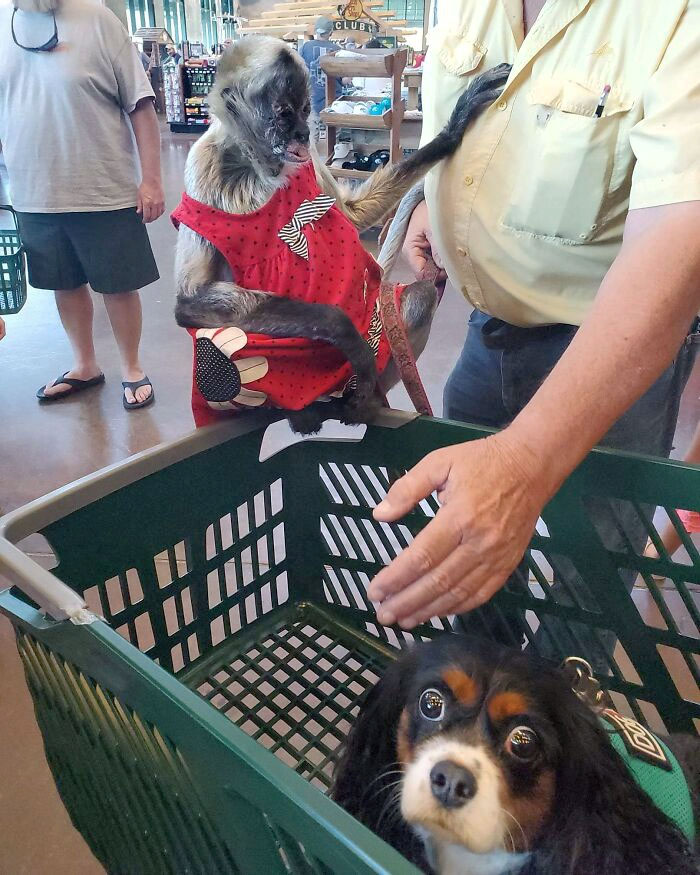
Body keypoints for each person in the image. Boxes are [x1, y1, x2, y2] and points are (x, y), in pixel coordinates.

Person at [367, 0, 700, 664]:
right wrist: (426, 203)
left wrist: (527, 460)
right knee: (474, 558)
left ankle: (554, 717)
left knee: (590, 575)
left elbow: (678, 244)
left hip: (610, 355)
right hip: (488, 333)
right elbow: (465, 126)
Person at [0, 0, 164, 410]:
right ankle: (84, 365)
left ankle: (131, 367)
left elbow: (141, 106)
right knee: (63, 282)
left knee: (118, 284)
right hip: (33, 190)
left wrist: (152, 180)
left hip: (103, 187)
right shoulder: (3, 22)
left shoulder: (97, 18)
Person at [300, 16, 342, 137]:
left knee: (312, 138)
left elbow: (298, 72)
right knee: (335, 138)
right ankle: (334, 155)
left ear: (316, 30)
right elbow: (345, 80)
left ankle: (314, 156)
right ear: (331, 32)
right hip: (334, 101)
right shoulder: (338, 50)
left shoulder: (305, 48)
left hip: (311, 99)